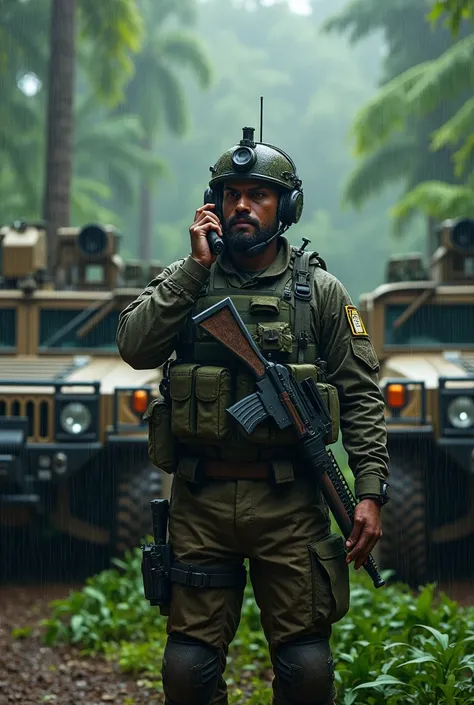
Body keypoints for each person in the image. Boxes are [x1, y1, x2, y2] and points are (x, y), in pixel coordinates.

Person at [116, 127, 390, 705]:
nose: (243, 205)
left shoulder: (318, 291)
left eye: (259, 194)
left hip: (290, 506)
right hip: (201, 501)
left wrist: (369, 491)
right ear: (213, 205)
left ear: (285, 206)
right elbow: (135, 348)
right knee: (187, 671)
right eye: (232, 193)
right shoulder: (186, 281)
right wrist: (194, 269)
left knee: (307, 669)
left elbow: (362, 394)